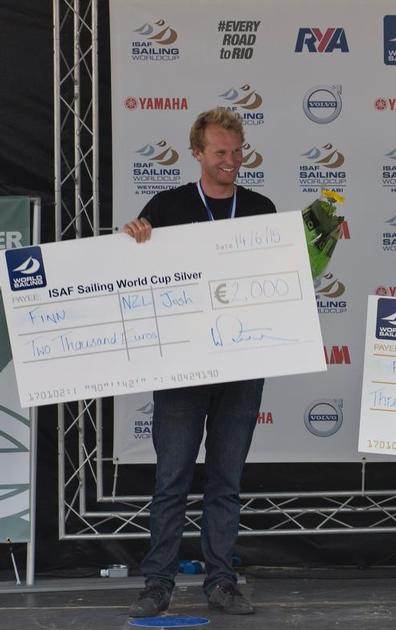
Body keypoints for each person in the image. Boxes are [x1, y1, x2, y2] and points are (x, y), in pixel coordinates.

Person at [123, 108, 276, 617]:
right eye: (220, 152)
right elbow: (132, 273)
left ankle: (221, 581)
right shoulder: (166, 207)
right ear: (197, 154)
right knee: (172, 479)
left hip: (241, 364)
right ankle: (158, 583)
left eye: (237, 151)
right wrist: (134, 241)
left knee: (226, 481)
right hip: (182, 368)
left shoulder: (261, 208)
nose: (232, 160)